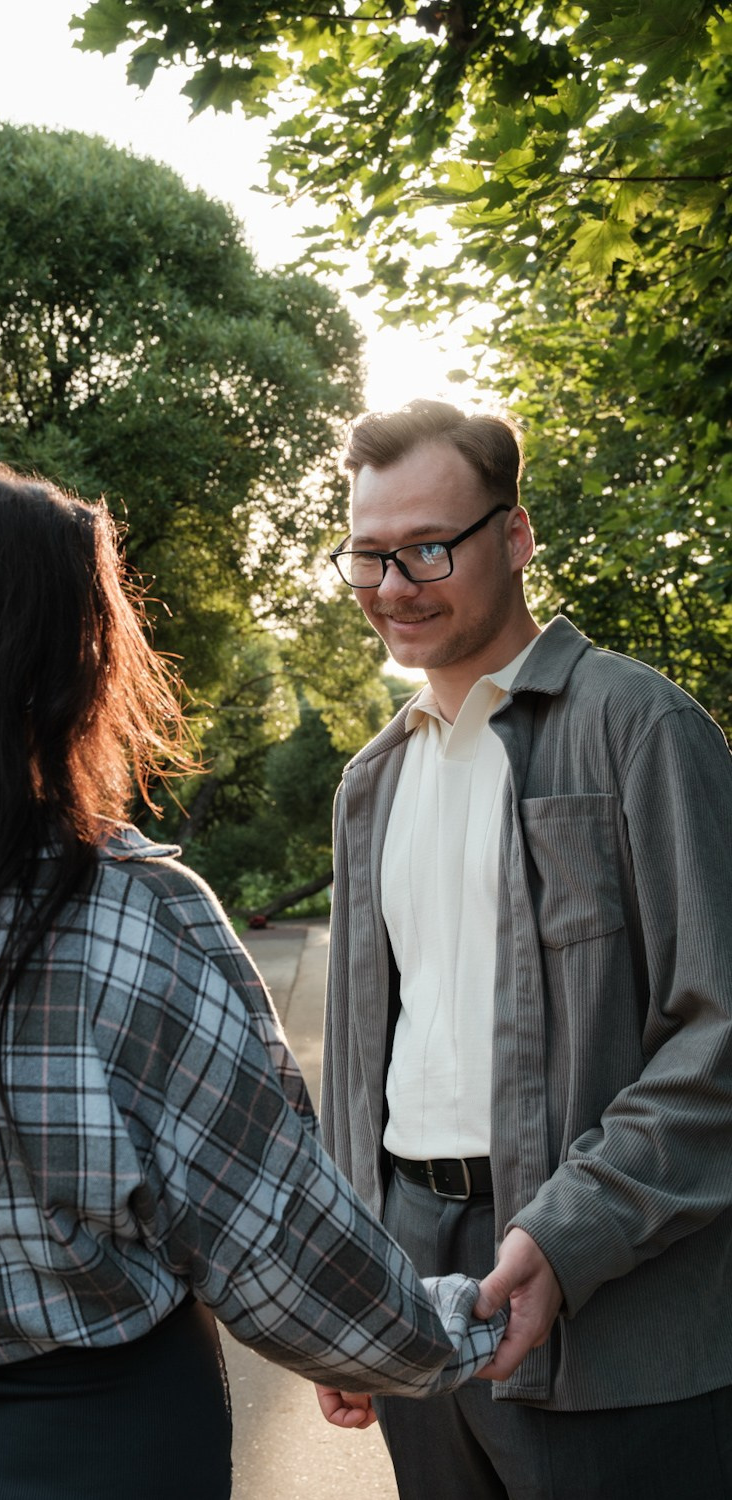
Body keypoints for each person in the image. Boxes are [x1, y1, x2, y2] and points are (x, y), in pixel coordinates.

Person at [0, 457, 506, 1500]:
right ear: (61, 666)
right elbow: (271, 1243)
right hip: (100, 1457)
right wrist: (458, 1331)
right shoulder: (127, 915)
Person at [315, 400, 732, 1498]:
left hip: (617, 1307)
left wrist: (566, 1236)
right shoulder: (370, 784)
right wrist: (348, 1285)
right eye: (369, 556)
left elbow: (720, 1038)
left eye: (428, 549)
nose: (394, 587)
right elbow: (363, 1068)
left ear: (516, 536)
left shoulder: (641, 729)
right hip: (413, 1280)